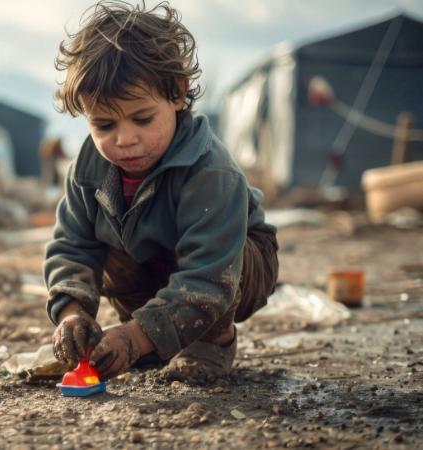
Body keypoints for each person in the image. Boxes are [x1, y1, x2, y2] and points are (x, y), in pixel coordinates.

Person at [45, 0, 279, 383]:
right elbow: (71, 246)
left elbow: (209, 275)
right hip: (151, 262)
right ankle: (154, 333)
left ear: (177, 94)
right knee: (105, 247)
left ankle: (210, 339)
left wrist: (133, 339)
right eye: (104, 125)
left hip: (233, 264)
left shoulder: (210, 171)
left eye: (142, 118)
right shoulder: (87, 170)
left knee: (218, 266)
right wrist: (72, 314)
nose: (125, 139)